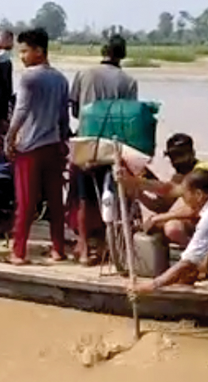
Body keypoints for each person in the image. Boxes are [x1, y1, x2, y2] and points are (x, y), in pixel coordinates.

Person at [68, 34, 139, 265]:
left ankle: (83, 248)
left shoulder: (83, 74)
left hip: (86, 141)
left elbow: (75, 111)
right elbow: (130, 117)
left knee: (82, 197)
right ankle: (109, 245)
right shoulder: (129, 82)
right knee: (114, 194)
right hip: (113, 145)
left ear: (103, 51)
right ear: (123, 54)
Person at [5, 28, 71, 265]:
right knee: (55, 201)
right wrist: (63, 140)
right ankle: (58, 249)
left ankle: (19, 251)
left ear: (39, 52)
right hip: (53, 145)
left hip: (30, 147)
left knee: (26, 201)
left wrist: (9, 137)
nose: (21, 56)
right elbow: (64, 117)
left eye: (24, 51)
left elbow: (21, 110)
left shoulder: (29, 78)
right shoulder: (61, 79)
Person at [126, 133, 208, 247]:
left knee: (172, 228)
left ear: (192, 153)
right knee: (156, 227)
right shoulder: (180, 176)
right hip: (205, 221)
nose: (176, 161)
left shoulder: (202, 172)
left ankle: (198, 255)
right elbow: (162, 206)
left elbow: (194, 210)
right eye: (173, 157)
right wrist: (139, 195)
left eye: (181, 155)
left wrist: (158, 218)